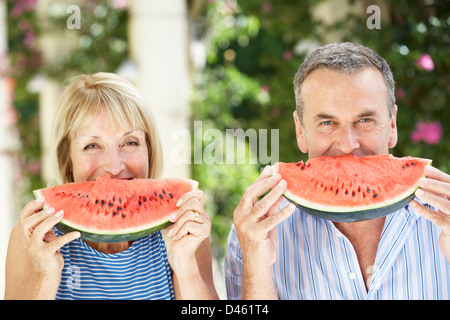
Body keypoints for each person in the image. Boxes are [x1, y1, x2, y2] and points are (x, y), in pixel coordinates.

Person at [225, 42, 450, 300]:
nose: (348, 144)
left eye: (365, 120)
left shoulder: (444, 212)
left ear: (393, 125)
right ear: (301, 131)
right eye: (327, 122)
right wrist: (257, 268)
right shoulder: (257, 228)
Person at [5, 72, 218, 300]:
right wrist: (44, 275)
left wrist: (185, 265)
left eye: (130, 142)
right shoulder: (34, 237)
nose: (114, 167)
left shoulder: (183, 227)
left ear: (149, 149)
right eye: (92, 146)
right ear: (68, 158)